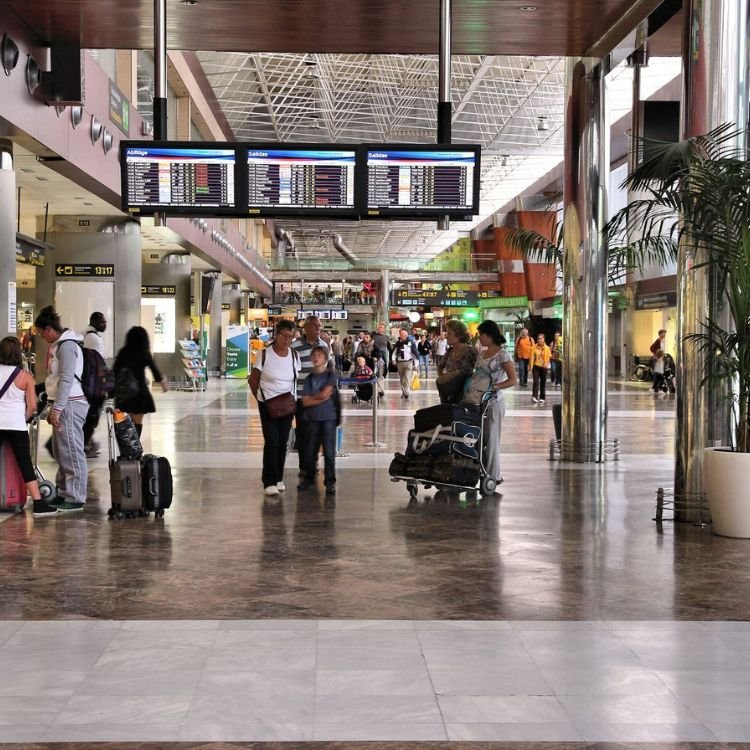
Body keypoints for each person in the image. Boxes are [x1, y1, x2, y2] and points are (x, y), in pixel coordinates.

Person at [34, 305, 88, 512]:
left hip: (71, 404)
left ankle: (75, 497)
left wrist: (57, 410)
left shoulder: (67, 346)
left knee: (72, 451)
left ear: (49, 329)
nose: (42, 337)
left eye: (41, 333)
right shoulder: (60, 345)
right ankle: (65, 491)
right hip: (62, 404)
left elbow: (66, 379)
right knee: (61, 451)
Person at [0, 337, 58, 516]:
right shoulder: (26, 377)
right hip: (16, 425)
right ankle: (39, 504)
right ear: (19, 353)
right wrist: (22, 419)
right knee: (25, 462)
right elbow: (32, 406)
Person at [248, 319, 300, 497]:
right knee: (272, 442)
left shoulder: (294, 355)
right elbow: (253, 380)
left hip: (286, 405)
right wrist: (261, 399)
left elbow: (294, 378)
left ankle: (278, 477)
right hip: (268, 404)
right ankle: (268, 480)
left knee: (283, 442)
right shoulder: (264, 354)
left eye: (291, 337)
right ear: (276, 335)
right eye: (284, 336)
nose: (287, 340)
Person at [462, 320, 516, 487]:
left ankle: (494, 475)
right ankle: (480, 470)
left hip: (493, 402)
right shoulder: (482, 353)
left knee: (492, 439)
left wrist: (495, 387)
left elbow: (513, 380)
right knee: (479, 438)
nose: (479, 338)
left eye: (481, 334)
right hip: (477, 401)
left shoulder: (503, 354)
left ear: (489, 335)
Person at [291, 315, 331, 474]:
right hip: (302, 397)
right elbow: (292, 370)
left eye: (320, 326)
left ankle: (312, 463)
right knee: (302, 432)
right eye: (315, 326)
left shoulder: (324, 345)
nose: (318, 328)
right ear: (306, 328)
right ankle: (304, 466)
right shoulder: (295, 346)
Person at [113, 326, 169, 438]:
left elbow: (115, 371)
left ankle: (126, 450)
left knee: (124, 423)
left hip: (124, 393)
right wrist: (163, 384)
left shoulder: (123, 352)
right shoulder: (144, 353)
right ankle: (135, 449)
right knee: (137, 423)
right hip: (140, 393)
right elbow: (154, 370)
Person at [298, 345, 338, 495]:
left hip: (328, 418)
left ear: (326, 359)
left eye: (320, 355)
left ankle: (330, 481)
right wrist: (319, 397)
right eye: (314, 355)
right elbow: (306, 402)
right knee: (310, 450)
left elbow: (326, 394)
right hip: (312, 418)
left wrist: (313, 398)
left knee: (329, 451)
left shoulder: (330, 376)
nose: (316, 358)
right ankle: (309, 478)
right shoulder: (309, 378)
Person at [81, 311, 107, 458]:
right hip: (93, 383)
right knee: (92, 415)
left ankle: (87, 442)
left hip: (86, 382)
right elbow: (98, 364)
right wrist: (104, 385)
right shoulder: (93, 338)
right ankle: (84, 445)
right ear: (95, 321)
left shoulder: (84, 334)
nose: (105, 325)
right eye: (103, 322)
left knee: (89, 415)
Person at [435, 319, 478, 403]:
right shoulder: (449, 351)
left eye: (449, 333)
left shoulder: (471, 351)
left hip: (464, 395)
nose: (446, 336)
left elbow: (479, 370)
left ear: (459, 335)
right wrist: (444, 379)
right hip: (448, 393)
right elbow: (440, 366)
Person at [392, 328, 419, 400]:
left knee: (407, 378)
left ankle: (407, 392)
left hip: (408, 363)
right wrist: (393, 360)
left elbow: (415, 354)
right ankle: (403, 391)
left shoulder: (411, 343)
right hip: (400, 363)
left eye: (403, 335)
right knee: (402, 379)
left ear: (406, 335)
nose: (402, 336)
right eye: (401, 334)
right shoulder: (398, 343)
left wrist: (416, 365)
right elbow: (394, 353)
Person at [530, 333, 551, 404]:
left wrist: (546, 364)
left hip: (544, 367)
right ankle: (534, 397)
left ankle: (542, 397)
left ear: (544, 339)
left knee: (543, 382)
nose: (539, 340)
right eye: (538, 339)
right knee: (535, 381)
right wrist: (530, 366)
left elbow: (548, 357)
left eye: (541, 339)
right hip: (536, 366)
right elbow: (531, 357)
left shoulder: (547, 348)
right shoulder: (534, 347)